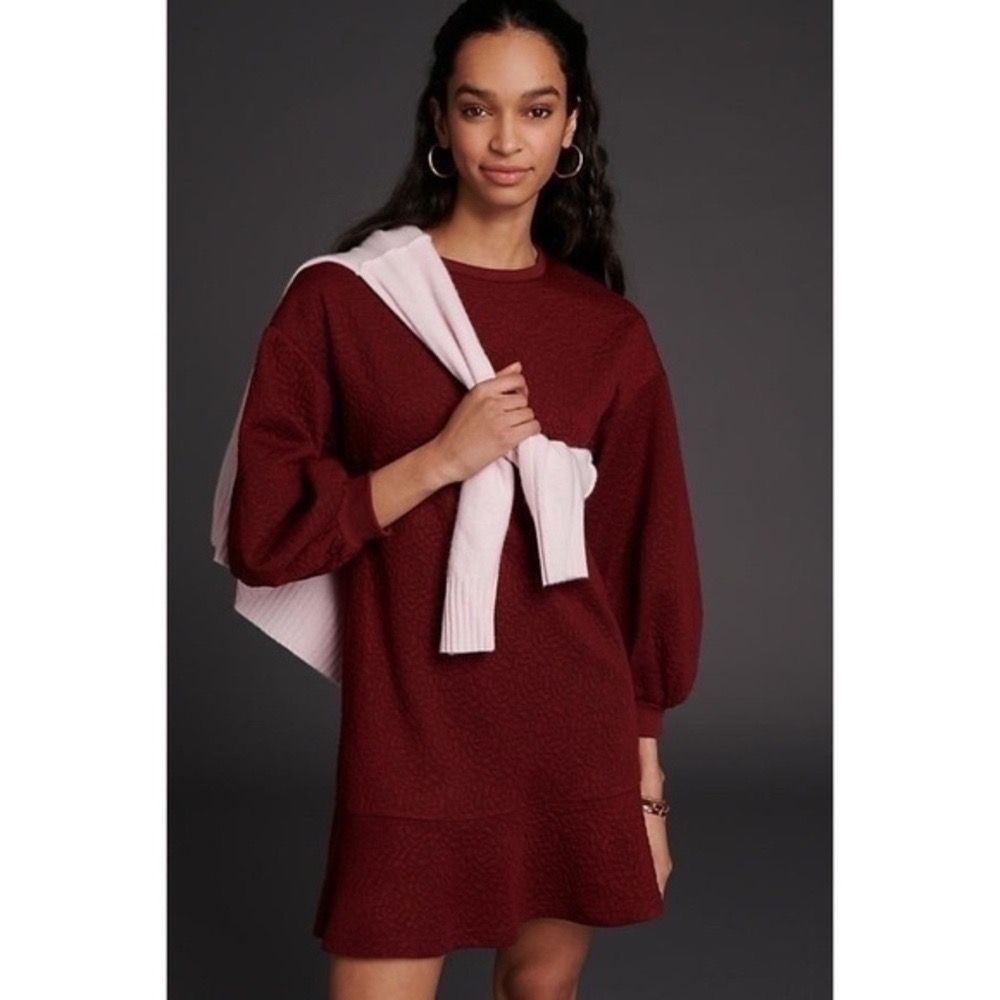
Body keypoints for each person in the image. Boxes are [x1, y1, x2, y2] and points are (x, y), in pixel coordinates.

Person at [223, 2, 703, 997]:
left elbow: (638, 564)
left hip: (572, 736)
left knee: (541, 989)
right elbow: (264, 534)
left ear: (571, 126)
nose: (507, 140)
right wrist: (440, 458)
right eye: (479, 108)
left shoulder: (609, 334)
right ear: (440, 119)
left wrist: (646, 791)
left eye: (536, 110)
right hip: (414, 740)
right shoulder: (345, 301)